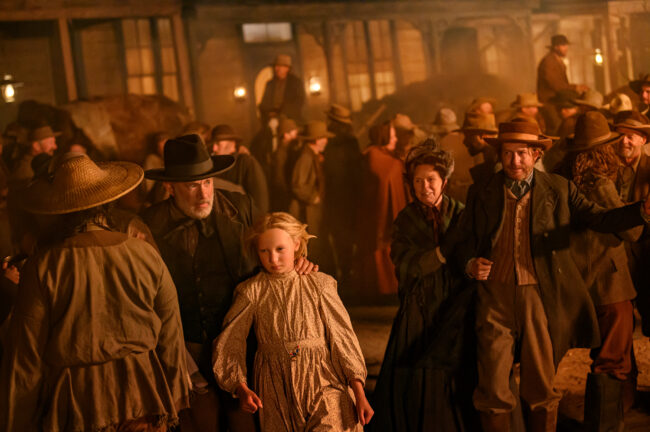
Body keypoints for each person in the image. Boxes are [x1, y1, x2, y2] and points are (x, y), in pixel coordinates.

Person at [446, 119, 650, 431]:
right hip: (493, 300)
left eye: (523, 153)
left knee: (540, 386)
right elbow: (461, 240)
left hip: (538, 298)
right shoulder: (482, 191)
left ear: (537, 154)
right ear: (500, 154)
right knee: (492, 388)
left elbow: (600, 218)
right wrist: (469, 263)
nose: (515, 161)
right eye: (509, 153)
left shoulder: (558, 188)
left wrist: (640, 211)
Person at [0, 153, 190, 431]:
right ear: (107, 202)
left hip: (79, 403)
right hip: (143, 394)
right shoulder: (144, 254)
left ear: (61, 211)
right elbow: (171, 332)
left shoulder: (44, 266)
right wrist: (173, 395)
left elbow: (25, 357)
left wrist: (19, 421)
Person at [142, 134, 319, 432]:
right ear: (170, 187)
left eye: (207, 182)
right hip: (188, 346)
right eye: (192, 185)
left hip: (245, 340)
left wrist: (299, 260)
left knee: (247, 421)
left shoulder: (240, 207)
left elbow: (277, 239)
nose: (204, 193)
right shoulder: (151, 223)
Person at [213, 211, 373, 431]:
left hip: (323, 380)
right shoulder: (251, 292)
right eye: (264, 251)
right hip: (274, 388)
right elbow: (230, 341)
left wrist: (359, 392)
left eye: (280, 249)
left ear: (297, 244)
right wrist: (240, 388)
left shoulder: (320, 284)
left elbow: (343, 336)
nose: (273, 258)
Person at [371, 140, 477, 431]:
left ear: (444, 181)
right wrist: (438, 256)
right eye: (418, 181)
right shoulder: (406, 220)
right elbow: (404, 262)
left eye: (430, 180)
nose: (424, 187)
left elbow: (471, 254)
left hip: (455, 303)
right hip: (419, 305)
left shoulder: (460, 214)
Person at [563, 112, 642, 431]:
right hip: (610, 284)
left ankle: (617, 415)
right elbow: (631, 232)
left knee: (609, 354)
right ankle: (604, 425)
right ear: (603, 149)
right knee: (612, 360)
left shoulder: (563, 180)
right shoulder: (600, 183)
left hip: (584, 284)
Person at [612, 112, 650, 338]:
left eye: (630, 136)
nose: (623, 141)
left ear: (643, 140)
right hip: (614, 253)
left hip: (646, 252)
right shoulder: (606, 169)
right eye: (619, 135)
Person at [323, 104, 362, 282]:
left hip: (337, 197)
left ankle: (345, 273)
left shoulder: (332, 144)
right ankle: (348, 271)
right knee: (347, 237)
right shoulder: (352, 142)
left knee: (340, 237)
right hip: (349, 196)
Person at [289, 120, 333, 266]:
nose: (326, 141)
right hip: (308, 211)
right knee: (314, 247)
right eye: (323, 138)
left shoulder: (313, 155)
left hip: (314, 210)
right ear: (316, 140)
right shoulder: (305, 158)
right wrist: (313, 197)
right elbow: (297, 185)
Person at [211, 124, 269, 214]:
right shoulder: (213, 165)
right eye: (213, 144)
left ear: (232, 143)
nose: (214, 148)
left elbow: (260, 200)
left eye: (218, 144)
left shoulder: (246, 162)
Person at [537, 34, 588, 132]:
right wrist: (575, 87)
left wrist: (576, 88)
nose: (566, 48)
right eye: (563, 45)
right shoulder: (548, 62)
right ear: (556, 47)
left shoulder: (557, 61)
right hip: (549, 102)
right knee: (556, 126)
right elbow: (555, 84)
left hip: (558, 99)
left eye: (566, 45)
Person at [258, 54, 306, 125]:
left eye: (280, 66)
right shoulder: (270, 84)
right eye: (276, 66)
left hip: (290, 119)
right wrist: (268, 114)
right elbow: (264, 103)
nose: (277, 69)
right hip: (271, 119)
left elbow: (299, 101)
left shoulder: (295, 82)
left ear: (287, 68)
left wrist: (282, 113)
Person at [459, 112, 499, 185]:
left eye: (468, 137)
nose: (464, 142)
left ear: (482, 136)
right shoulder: (493, 162)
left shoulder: (497, 166)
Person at [270, 117, 299, 212]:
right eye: (293, 131)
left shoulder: (289, 149)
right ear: (286, 135)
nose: (296, 133)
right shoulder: (280, 153)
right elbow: (279, 178)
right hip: (283, 195)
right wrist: (286, 194)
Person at [143, 131, 170, 205]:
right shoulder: (152, 159)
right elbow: (149, 185)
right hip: (155, 194)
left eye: (165, 144)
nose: (163, 148)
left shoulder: (174, 158)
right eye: (161, 145)